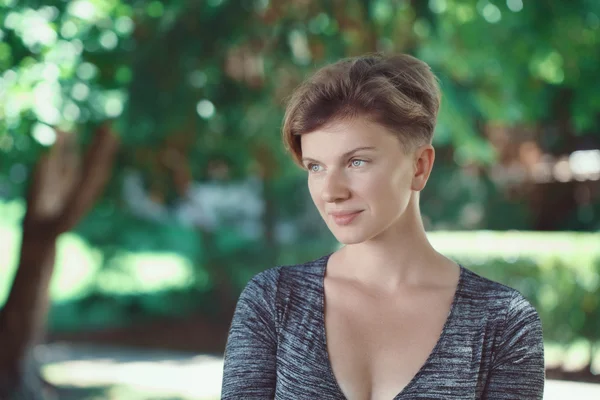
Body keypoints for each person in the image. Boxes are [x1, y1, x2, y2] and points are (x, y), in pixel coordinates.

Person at [220, 53, 545, 399]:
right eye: (316, 167)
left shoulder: (502, 323)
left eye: (356, 161)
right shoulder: (272, 302)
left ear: (419, 166)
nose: (331, 192)